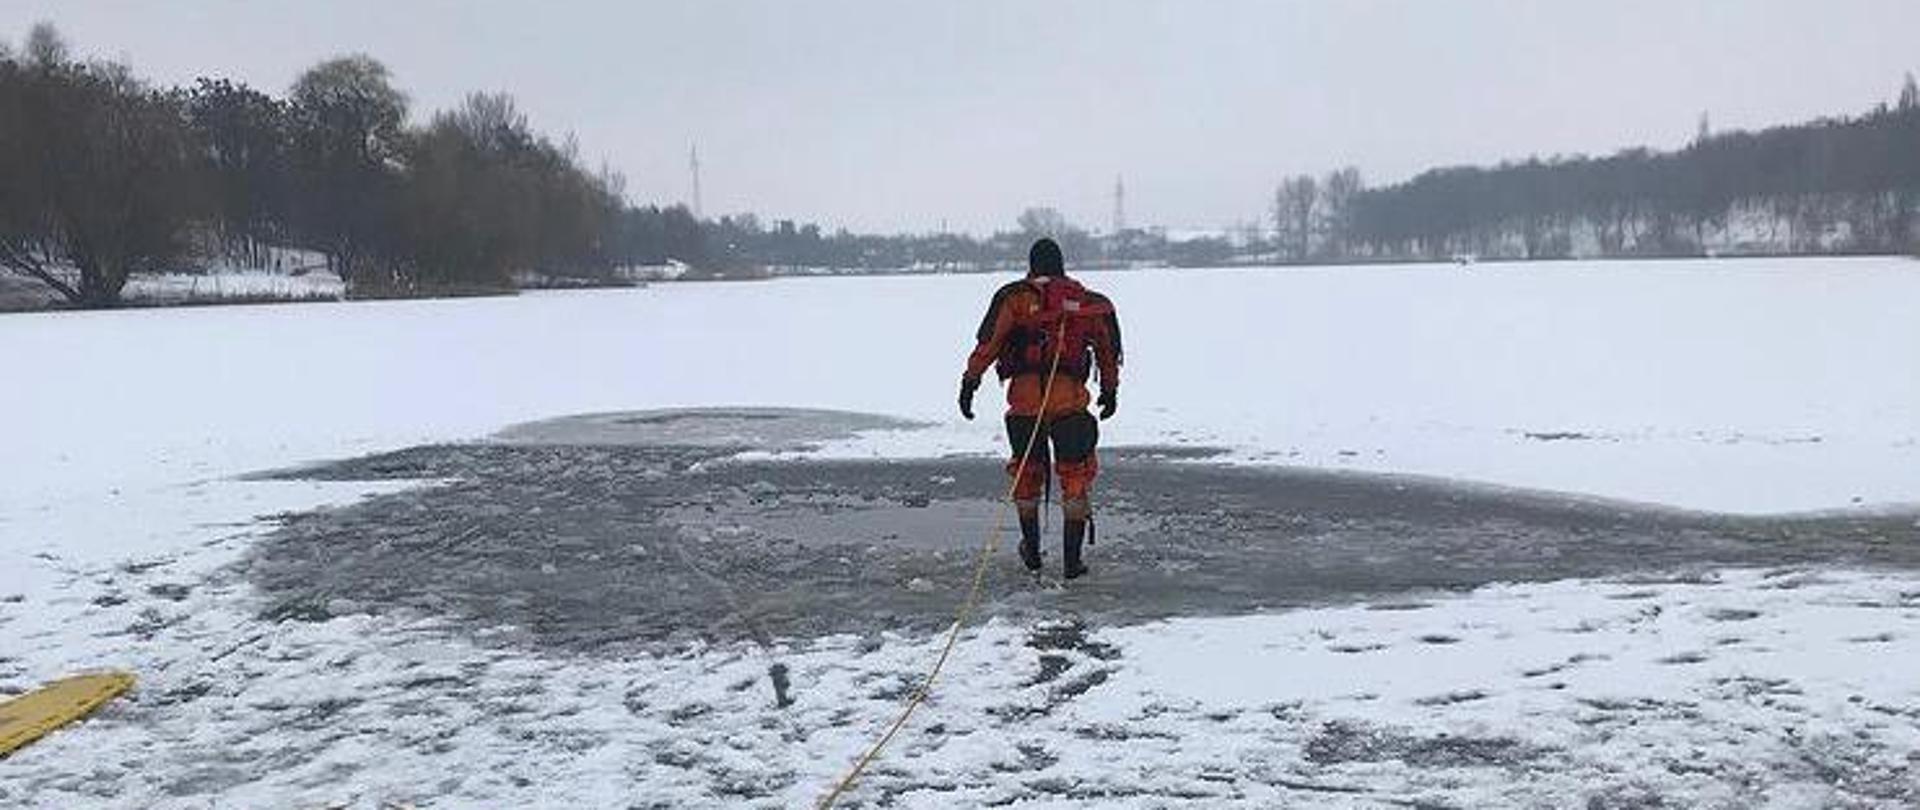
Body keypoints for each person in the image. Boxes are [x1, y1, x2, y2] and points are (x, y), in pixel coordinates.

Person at [958, 238, 1121, 579]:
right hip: (1070, 405)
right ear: (1061, 265)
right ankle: (1071, 563)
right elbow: (1108, 349)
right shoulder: (1088, 301)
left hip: (1025, 404)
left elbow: (989, 344)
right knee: (1075, 477)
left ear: (1031, 266)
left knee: (1026, 475)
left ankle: (1031, 552)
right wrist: (1109, 390)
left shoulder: (1013, 297)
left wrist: (970, 382)